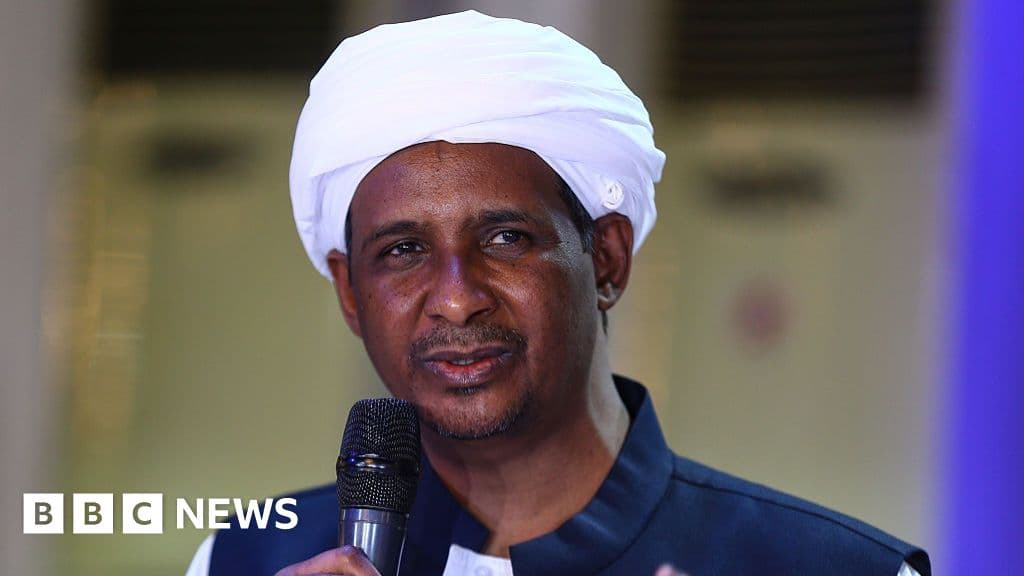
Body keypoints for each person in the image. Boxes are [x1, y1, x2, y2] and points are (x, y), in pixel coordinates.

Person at [186, 10, 930, 576]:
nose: (455, 299)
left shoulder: (827, 566)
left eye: (506, 239)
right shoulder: (244, 557)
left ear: (605, 259)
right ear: (351, 292)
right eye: (404, 250)